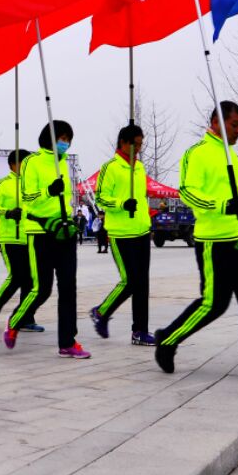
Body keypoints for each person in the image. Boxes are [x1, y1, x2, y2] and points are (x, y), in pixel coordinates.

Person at [155, 102, 238, 382]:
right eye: (234, 125)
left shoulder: (232, 158)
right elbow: (187, 192)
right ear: (216, 122)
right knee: (214, 304)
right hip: (215, 243)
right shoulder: (197, 153)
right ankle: (168, 338)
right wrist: (221, 205)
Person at [6, 121, 89, 358]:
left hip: (64, 231)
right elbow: (26, 197)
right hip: (40, 233)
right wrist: (48, 191)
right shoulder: (32, 162)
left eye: (68, 139)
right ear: (49, 138)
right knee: (42, 289)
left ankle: (67, 342)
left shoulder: (62, 162)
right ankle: (15, 321)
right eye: (62, 138)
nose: (65, 143)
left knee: (68, 287)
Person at [92, 124, 155, 345]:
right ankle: (101, 311)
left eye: (141, 144)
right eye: (135, 144)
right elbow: (100, 198)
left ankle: (140, 331)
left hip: (141, 231)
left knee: (142, 284)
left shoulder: (139, 168)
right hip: (121, 233)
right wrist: (121, 204)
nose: (138, 148)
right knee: (130, 281)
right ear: (123, 143)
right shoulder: (110, 167)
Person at [0, 150, 41, 332]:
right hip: (11, 237)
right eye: (23, 163)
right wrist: (7, 213)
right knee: (17, 276)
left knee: (31, 280)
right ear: (12, 165)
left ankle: (25, 318)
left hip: (31, 236)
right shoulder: (3, 184)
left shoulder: (33, 184)